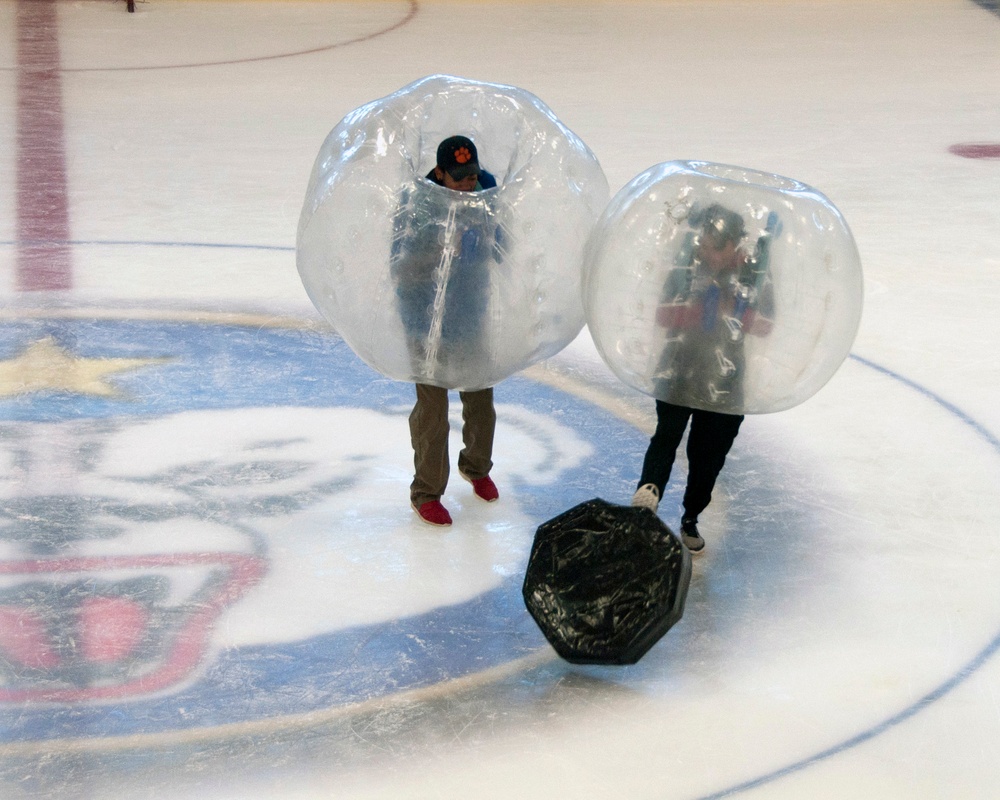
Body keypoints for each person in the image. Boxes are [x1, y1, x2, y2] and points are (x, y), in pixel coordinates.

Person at [631, 203, 775, 554]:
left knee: (707, 454)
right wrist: (697, 311)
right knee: (666, 435)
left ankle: (691, 514)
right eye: (705, 242)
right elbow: (663, 314)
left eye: (716, 245)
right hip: (680, 366)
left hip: (726, 379)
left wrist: (736, 311)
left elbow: (767, 324)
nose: (706, 250)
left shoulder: (753, 274)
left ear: (734, 246)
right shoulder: (686, 268)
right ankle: (648, 492)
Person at [391, 135, 501, 527]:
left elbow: (503, 248)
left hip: (470, 312)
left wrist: (489, 236)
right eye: (458, 179)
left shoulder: (485, 193)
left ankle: (477, 466)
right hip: (426, 320)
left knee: (480, 401)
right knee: (433, 412)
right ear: (439, 174)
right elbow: (400, 267)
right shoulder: (417, 206)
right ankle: (426, 492)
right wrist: (440, 252)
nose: (467, 185)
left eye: (471, 177)